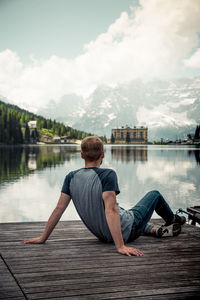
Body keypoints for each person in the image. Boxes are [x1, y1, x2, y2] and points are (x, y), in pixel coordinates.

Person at [22, 136, 186, 256]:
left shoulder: (70, 177)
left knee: (125, 212)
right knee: (154, 194)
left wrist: (43, 237)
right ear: (103, 155)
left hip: (102, 234)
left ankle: (155, 230)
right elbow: (111, 211)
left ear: (82, 156)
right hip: (126, 232)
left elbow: (59, 209)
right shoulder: (107, 175)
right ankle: (173, 220)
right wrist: (120, 246)